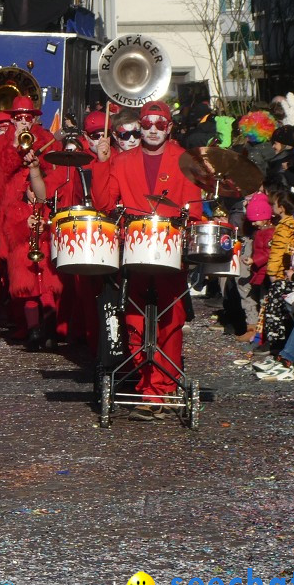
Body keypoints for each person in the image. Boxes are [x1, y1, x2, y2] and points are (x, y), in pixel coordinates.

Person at [91, 100, 203, 421]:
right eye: (147, 124)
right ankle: (145, 385)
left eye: (159, 124)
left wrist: (183, 233)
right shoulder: (122, 161)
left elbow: (193, 212)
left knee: (170, 318)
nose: (153, 129)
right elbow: (103, 203)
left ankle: (164, 389)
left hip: (171, 249)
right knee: (135, 319)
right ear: (140, 126)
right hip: (135, 248)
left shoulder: (185, 159)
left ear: (169, 128)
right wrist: (101, 162)